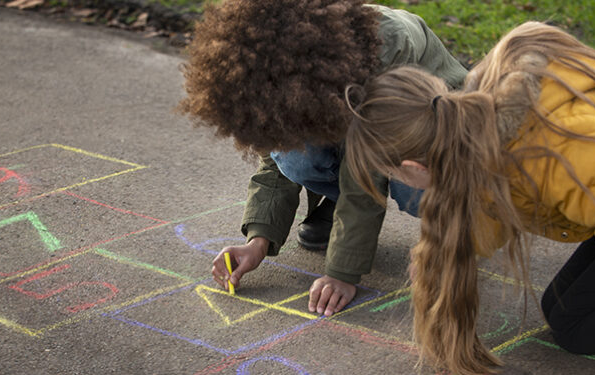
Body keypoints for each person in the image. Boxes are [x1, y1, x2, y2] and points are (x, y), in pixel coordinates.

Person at [344, 21, 595, 375]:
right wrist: (449, 251)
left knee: (578, 328)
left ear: (413, 166)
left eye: (392, 173)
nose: (394, 179)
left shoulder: (546, 148)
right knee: (563, 314)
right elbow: (492, 203)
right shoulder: (479, 128)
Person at [178, 0, 467, 317]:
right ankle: (334, 203)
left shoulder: (385, 46)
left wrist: (343, 272)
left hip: (436, 143)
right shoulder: (277, 70)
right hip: (361, 132)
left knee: (418, 192)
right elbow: (277, 144)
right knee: (294, 158)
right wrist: (258, 239)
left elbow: (366, 170)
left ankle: (461, 221)